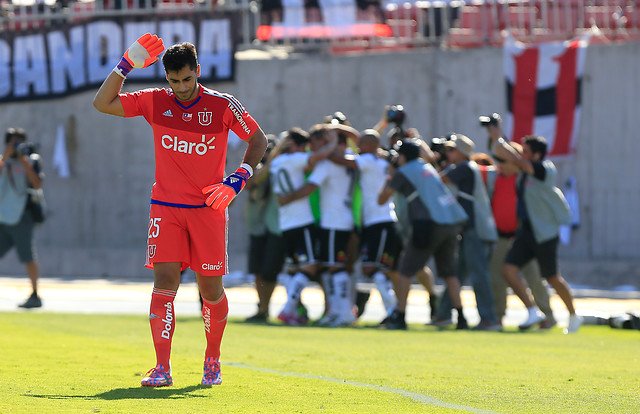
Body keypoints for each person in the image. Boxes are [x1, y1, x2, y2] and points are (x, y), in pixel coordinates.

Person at [92, 34, 268, 386]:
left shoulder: (221, 105)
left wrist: (237, 178)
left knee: (210, 291)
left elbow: (258, 139)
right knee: (164, 282)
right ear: (166, 77)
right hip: (166, 209)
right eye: (174, 80)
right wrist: (126, 63)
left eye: (187, 79)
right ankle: (161, 367)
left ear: (197, 71)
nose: (181, 87)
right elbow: (103, 103)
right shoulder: (156, 101)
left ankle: (212, 359)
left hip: (208, 209)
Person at [493, 135, 581, 334]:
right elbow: (507, 160)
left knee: (552, 277)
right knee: (508, 270)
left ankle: (574, 315)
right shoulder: (524, 171)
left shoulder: (544, 169)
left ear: (537, 154)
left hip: (545, 233)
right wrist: (495, 138)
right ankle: (532, 310)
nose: (522, 154)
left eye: (526, 151)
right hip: (526, 233)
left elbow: (516, 160)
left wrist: (499, 137)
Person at [378, 139, 469, 330]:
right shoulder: (426, 167)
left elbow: (382, 199)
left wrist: (390, 176)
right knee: (449, 273)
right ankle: (461, 318)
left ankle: (400, 316)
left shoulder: (403, 172)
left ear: (402, 156)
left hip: (428, 224)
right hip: (450, 222)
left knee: (404, 271)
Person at [279, 126, 357, 327]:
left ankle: (343, 313)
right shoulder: (346, 157)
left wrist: (288, 198)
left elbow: (310, 187)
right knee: (332, 266)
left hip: (333, 220)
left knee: (334, 267)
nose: (311, 148)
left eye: (313, 143)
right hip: (342, 218)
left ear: (324, 142)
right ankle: (338, 311)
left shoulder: (328, 163)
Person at [328, 129, 401, 324]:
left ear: (369, 146)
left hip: (381, 222)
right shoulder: (382, 160)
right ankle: (392, 311)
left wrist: (329, 145)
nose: (358, 147)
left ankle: (394, 310)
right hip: (375, 222)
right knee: (373, 268)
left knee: (372, 268)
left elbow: (342, 161)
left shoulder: (369, 160)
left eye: (362, 144)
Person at [270, 126, 337, 325]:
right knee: (310, 265)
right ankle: (288, 308)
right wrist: (332, 141)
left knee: (293, 268)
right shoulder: (294, 159)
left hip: (286, 222)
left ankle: (295, 311)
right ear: (296, 146)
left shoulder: (276, 163)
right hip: (301, 220)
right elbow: (317, 157)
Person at [485, 143, 555, 329]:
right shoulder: (496, 178)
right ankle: (498, 317)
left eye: (503, 161)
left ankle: (546, 316)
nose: (499, 164)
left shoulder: (525, 179)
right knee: (496, 276)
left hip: (522, 236)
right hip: (501, 236)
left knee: (534, 278)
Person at [438, 134, 499, 330]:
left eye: (451, 150)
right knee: (455, 273)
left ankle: (488, 318)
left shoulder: (464, 167)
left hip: (475, 230)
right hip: (468, 229)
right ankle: (443, 314)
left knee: (478, 274)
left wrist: (430, 161)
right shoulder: (466, 167)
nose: (448, 153)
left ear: (462, 152)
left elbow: (440, 180)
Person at [0, 128, 44, 309]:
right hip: (2, 216)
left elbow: (37, 184)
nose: (16, 146)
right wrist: (5, 157)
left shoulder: (31, 161)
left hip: (22, 216)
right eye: (13, 142)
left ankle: (35, 295)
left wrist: (24, 163)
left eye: (19, 142)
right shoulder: (3, 161)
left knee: (27, 256)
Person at [244, 134, 286, 323]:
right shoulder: (257, 170)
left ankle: (266, 307)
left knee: (270, 270)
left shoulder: (281, 168)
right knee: (258, 270)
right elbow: (252, 183)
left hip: (276, 226)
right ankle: (262, 307)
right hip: (257, 226)